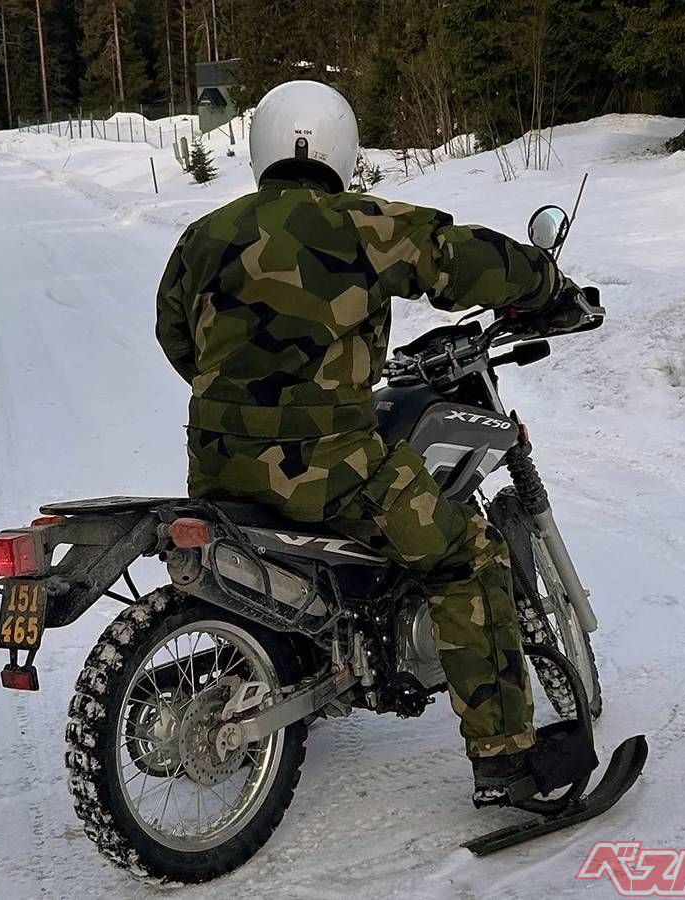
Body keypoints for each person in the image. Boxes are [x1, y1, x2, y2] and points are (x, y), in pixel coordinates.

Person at [154, 80, 586, 804]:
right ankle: (506, 760)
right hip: (332, 470)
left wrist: (246, 398)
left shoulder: (205, 236)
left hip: (218, 467)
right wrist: (544, 281)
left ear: (263, 147)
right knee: (468, 557)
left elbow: (175, 335)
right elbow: (460, 259)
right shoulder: (362, 224)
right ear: (341, 148)